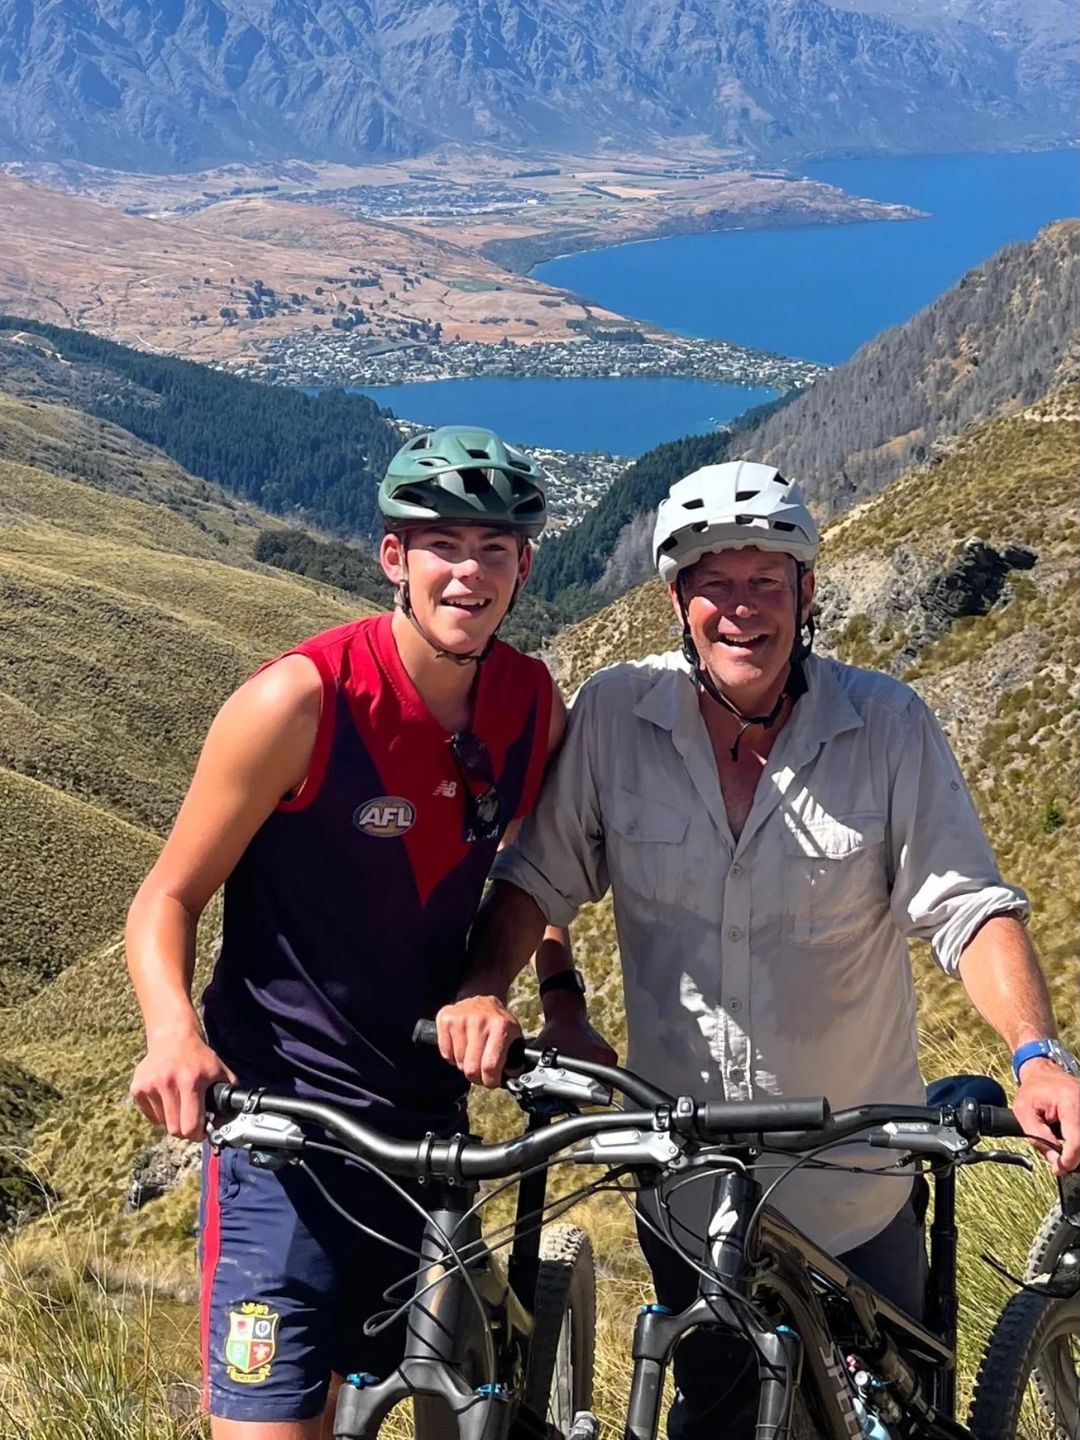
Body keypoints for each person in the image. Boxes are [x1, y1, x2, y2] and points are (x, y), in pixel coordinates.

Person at [450, 459, 1080, 1439]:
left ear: (806, 595)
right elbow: (536, 877)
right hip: (691, 1197)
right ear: (676, 599)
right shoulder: (618, 717)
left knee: (892, 1423)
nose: (740, 609)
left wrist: (1035, 1054)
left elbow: (969, 910)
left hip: (857, 1194)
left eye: (765, 582)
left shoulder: (887, 728)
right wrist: (489, 985)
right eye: (713, 583)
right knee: (714, 1416)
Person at [126, 425, 568, 1438]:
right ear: (393, 559)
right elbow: (166, 897)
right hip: (286, 1138)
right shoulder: (301, 702)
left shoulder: (529, 703)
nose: (468, 571)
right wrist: (169, 1032)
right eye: (441, 544)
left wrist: (549, 993)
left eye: (493, 548)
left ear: (524, 566)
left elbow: (544, 871)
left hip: (429, 1136)